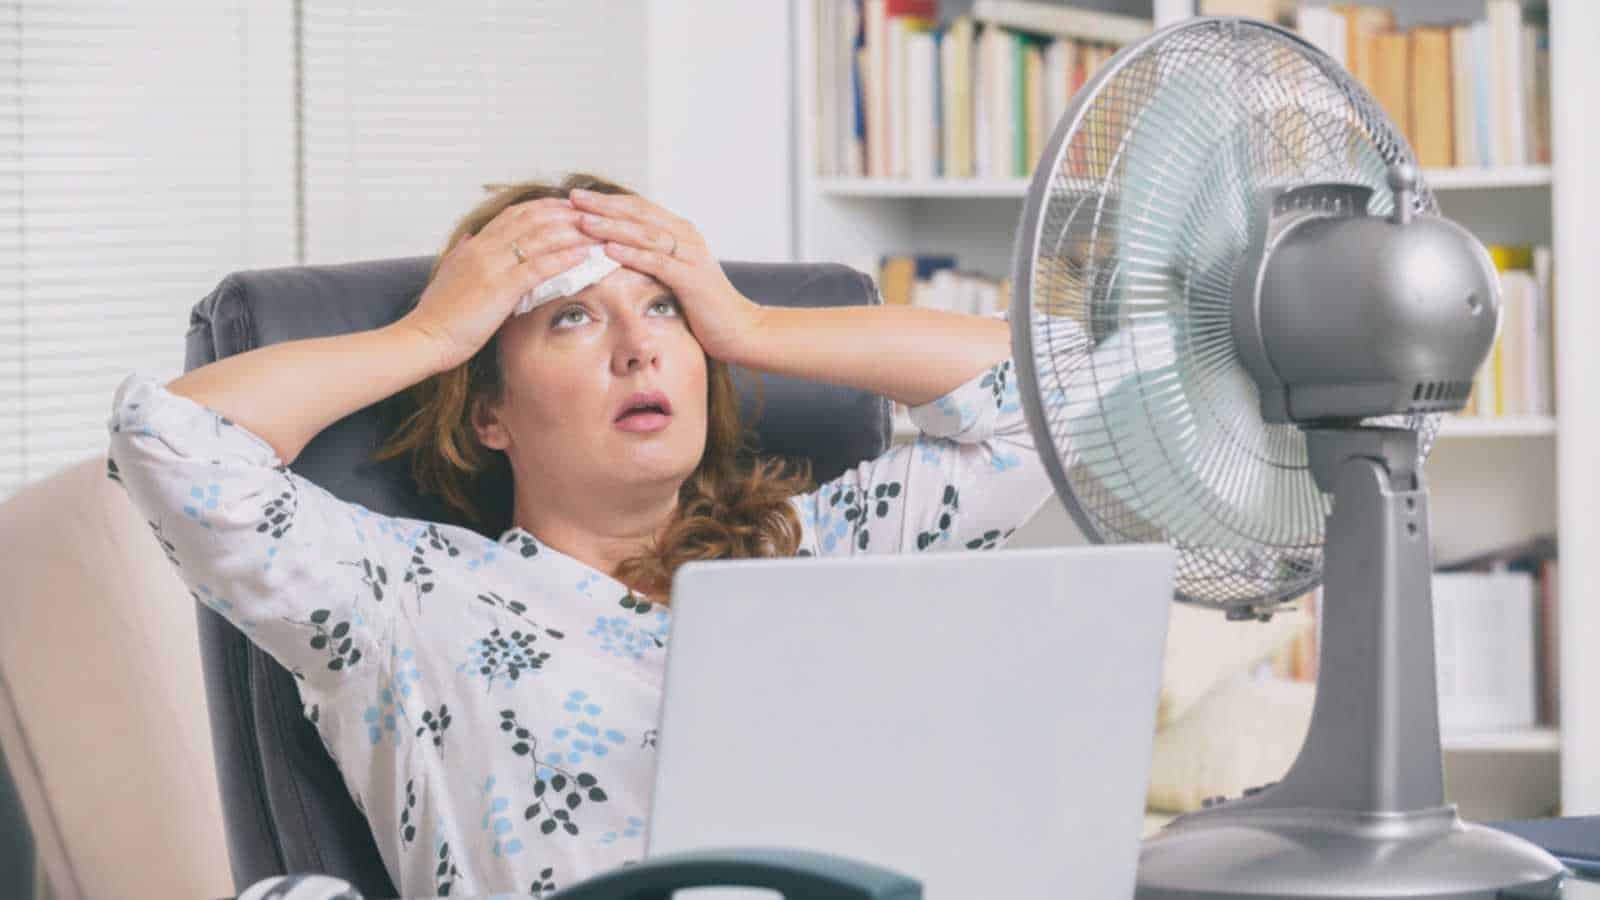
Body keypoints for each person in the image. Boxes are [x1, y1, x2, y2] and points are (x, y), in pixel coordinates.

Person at [105, 173, 1054, 897]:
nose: (637, 348)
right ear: (490, 416)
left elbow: (1058, 407)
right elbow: (171, 444)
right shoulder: (396, 597)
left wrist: (746, 318)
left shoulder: (820, 550)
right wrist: (434, 336)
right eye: (571, 318)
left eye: (661, 310)